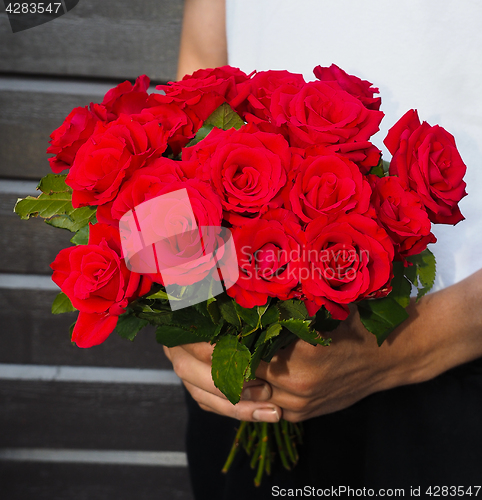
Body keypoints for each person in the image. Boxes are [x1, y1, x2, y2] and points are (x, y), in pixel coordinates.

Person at [165, 1, 482, 498]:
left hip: (455, 367)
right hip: (244, 362)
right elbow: (202, 67)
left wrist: (408, 353)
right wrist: (183, 308)